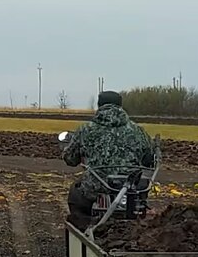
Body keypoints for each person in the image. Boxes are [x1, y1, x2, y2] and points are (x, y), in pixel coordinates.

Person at [62, 91, 155, 227]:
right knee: (139, 202)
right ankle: (137, 225)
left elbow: (70, 159)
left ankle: (83, 228)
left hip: (95, 187)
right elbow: (149, 160)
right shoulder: (138, 131)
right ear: (121, 106)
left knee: (76, 193)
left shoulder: (86, 130)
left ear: (99, 105)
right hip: (128, 188)